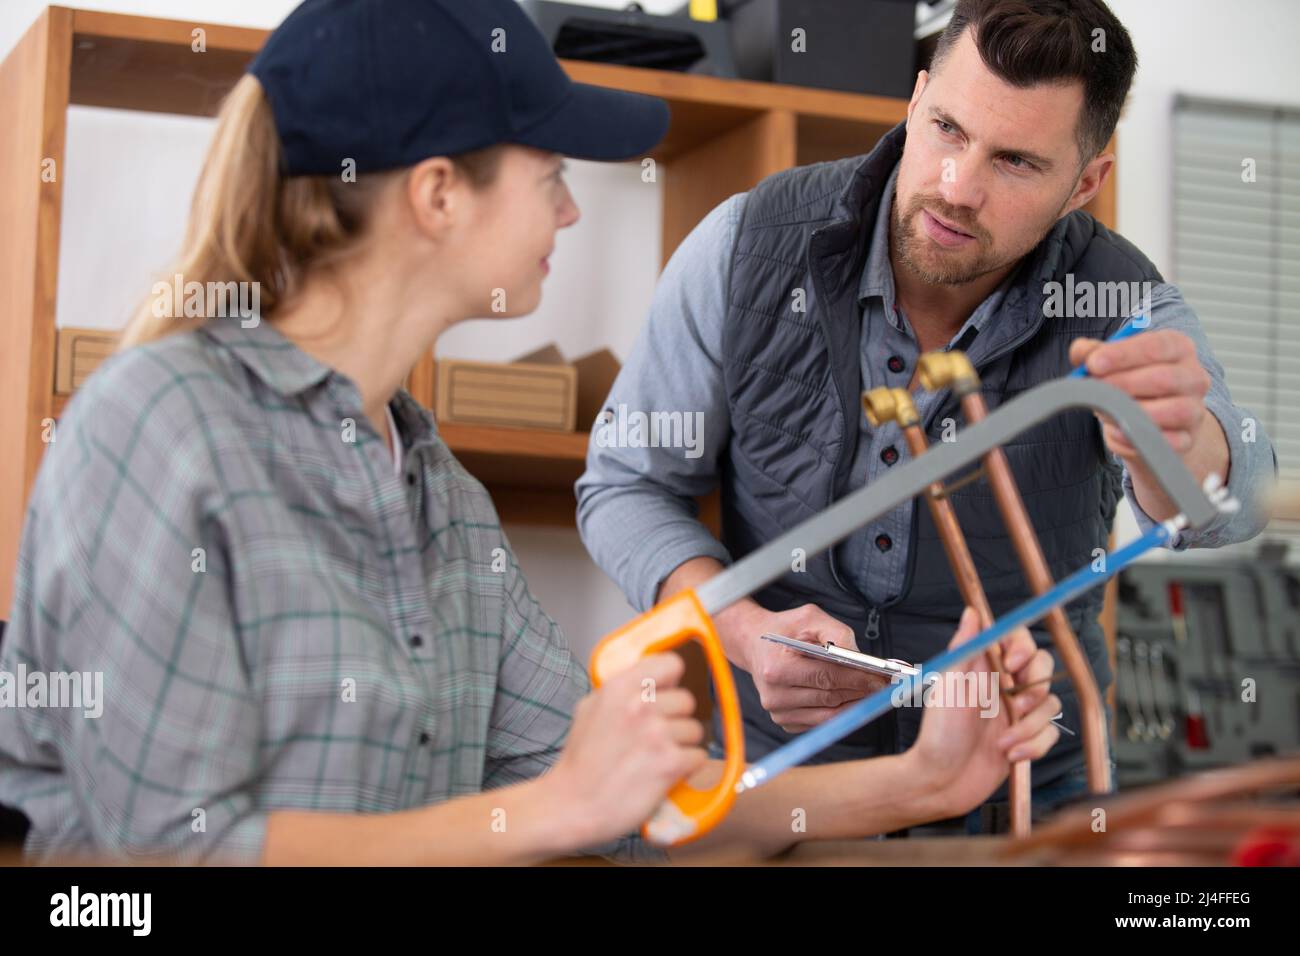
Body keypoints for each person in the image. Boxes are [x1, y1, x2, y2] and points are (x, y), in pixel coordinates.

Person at [0, 0, 1059, 865]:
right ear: (436, 196)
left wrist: (922, 777)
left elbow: (644, 811)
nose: (568, 212)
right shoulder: (155, 430)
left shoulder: (441, 499)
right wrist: (556, 804)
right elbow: (150, 862)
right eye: (548, 174)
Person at [576, 0, 1277, 825]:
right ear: (914, 101)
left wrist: (1178, 440)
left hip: (1024, 800)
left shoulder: (1121, 297)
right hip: (781, 796)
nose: (956, 188)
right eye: (946, 128)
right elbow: (624, 484)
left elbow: (1238, 498)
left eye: (1015, 162)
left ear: (1085, 182)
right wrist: (737, 627)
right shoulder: (745, 246)